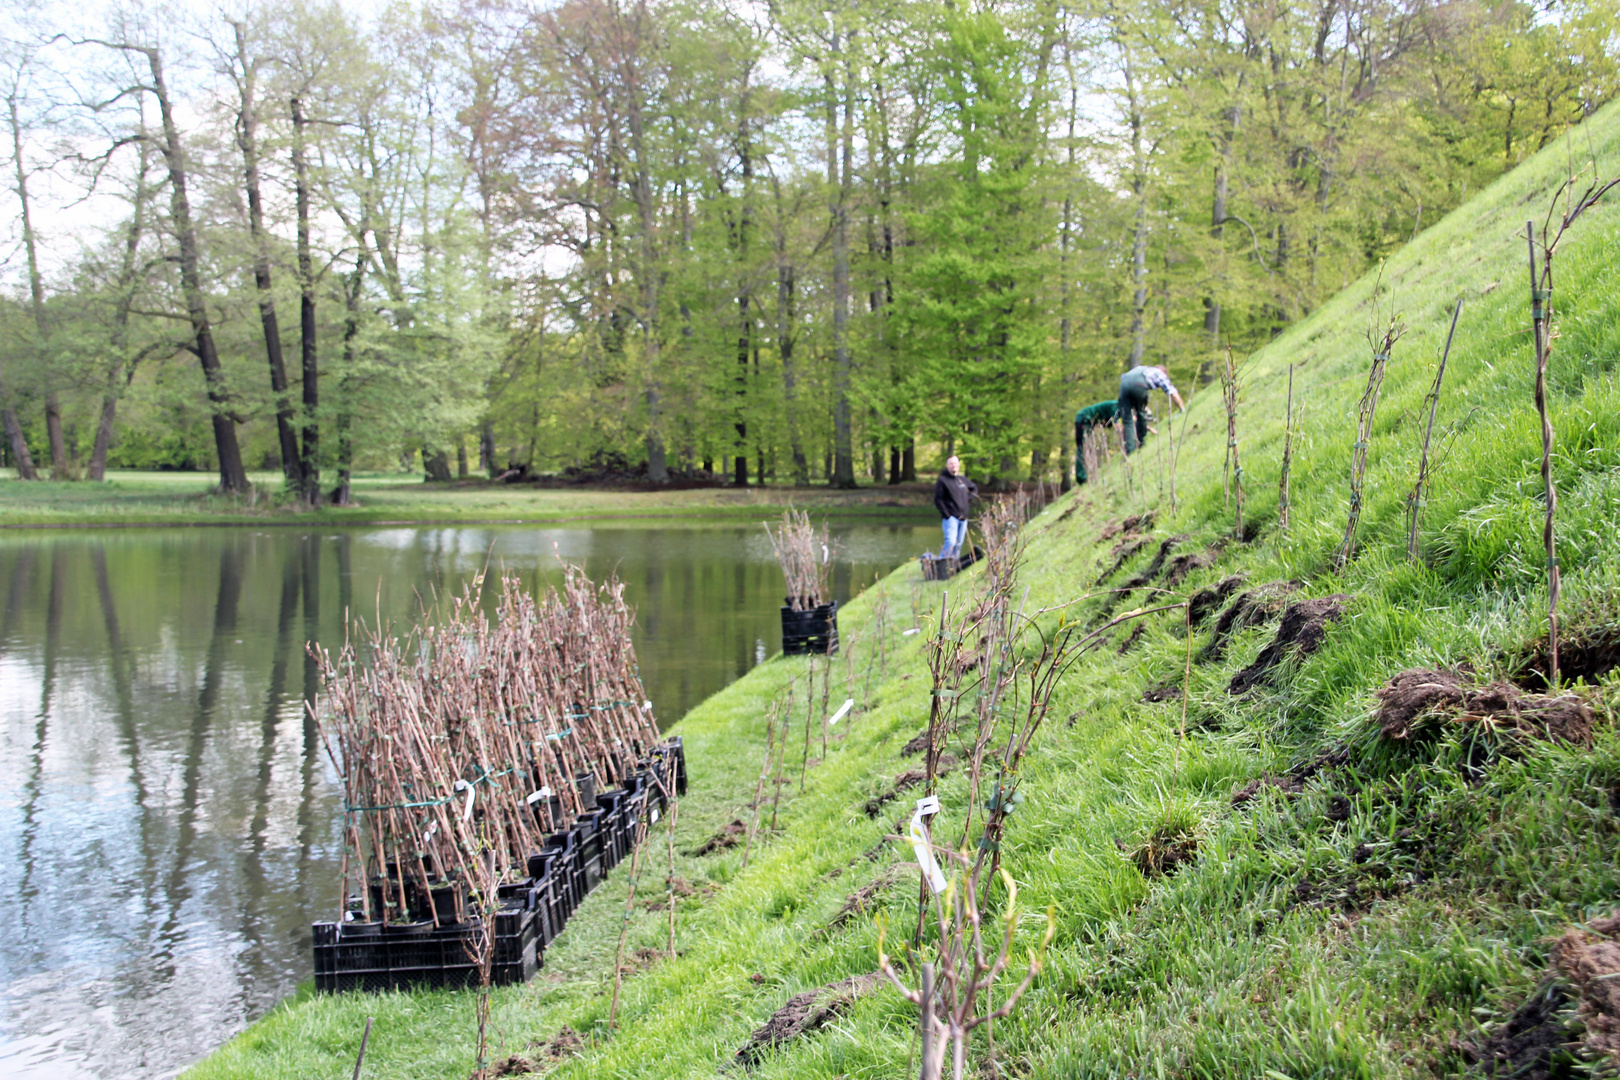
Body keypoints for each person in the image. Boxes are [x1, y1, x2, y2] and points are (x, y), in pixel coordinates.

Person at [1117, 364, 1185, 455]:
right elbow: (1171, 391)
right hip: (1139, 385)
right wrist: (1181, 408)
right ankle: (1141, 442)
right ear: (1164, 372)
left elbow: (1124, 377)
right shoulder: (1158, 373)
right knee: (1141, 414)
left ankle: (1130, 451)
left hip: (1123, 385)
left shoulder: (1141, 368)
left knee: (1127, 420)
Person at [932, 455, 978, 559]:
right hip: (951, 518)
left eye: (955, 463)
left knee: (958, 544)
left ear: (958, 465)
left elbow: (974, 488)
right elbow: (938, 500)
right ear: (947, 465)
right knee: (951, 542)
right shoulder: (943, 480)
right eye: (951, 464)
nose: (954, 466)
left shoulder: (962, 480)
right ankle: (942, 563)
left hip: (963, 518)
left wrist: (968, 498)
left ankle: (953, 566)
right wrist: (947, 515)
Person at [1073, 400, 1119, 485]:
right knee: (1082, 447)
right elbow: (1116, 425)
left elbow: (1107, 424)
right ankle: (1081, 477)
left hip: (1088, 421)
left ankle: (1086, 474)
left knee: (1088, 447)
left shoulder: (1116, 406)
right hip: (1083, 419)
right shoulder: (1115, 407)